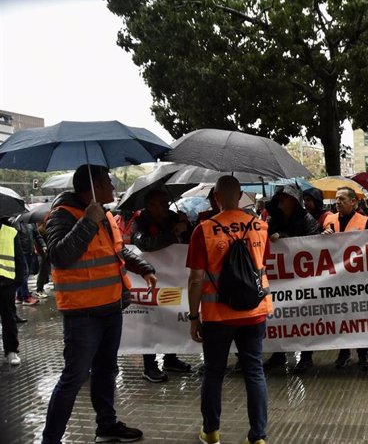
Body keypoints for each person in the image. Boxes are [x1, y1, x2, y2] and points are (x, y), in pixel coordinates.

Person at [42, 164, 157, 444]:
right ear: (92, 186)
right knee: (74, 377)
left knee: (107, 371)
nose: (113, 186)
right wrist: (86, 222)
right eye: (107, 181)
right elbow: (60, 256)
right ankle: (51, 439)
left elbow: (117, 250)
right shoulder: (62, 215)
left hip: (110, 308)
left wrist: (143, 267)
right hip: (82, 314)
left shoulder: (104, 214)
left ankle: (106, 426)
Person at [187, 175, 271, 444]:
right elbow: (262, 264)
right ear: (241, 195)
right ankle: (257, 436)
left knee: (213, 372)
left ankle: (211, 432)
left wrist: (193, 316)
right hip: (254, 311)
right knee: (254, 372)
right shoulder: (260, 226)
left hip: (217, 316)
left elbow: (196, 278)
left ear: (216, 197)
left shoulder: (203, 230)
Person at [131, 189, 193, 382]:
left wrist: (187, 224)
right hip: (151, 280)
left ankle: (171, 358)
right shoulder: (140, 222)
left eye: (167, 203)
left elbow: (190, 241)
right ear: (150, 205)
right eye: (161, 203)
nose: (166, 206)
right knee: (151, 320)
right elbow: (145, 244)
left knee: (171, 318)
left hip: (175, 279)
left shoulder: (174, 217)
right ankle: (150, 365)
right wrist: (174, 232)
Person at [263, 184, 320, 373]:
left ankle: (306, 356)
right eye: (279, 198)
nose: (281, 201)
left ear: (294, 201)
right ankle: (278, 354)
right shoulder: (272, 219)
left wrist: (286, 237)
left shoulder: (307, 220)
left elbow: (314, 244)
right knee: (279, 316)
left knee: (305, 318)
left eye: (284, 198)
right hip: (279, 280)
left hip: (302, 279)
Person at [323, 187, 368, 371]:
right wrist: (322, 238)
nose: (337, 202)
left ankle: (363, 354)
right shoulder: (328, 220)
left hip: (357, 280)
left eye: (342, 199)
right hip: (336, 280)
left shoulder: (365, 221)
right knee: (339, 317)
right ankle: (343, 353)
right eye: (336, 199)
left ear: (353, 202)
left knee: (359, 317)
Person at [0, 216, 25, 366]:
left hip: (6, 282)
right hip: (8, 283)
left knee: (8, 318)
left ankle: (11, 351)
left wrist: (18, 281)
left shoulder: (10, 232)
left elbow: (19, 257)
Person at [12, 219, 45, 305]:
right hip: (21, 253)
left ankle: (19, 296)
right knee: (24, 274)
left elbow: (36, 235)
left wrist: (43, 245)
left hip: (29, 252)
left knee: (24, 274)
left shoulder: (30, 223)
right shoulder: (15, 222)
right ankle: (26, 297)